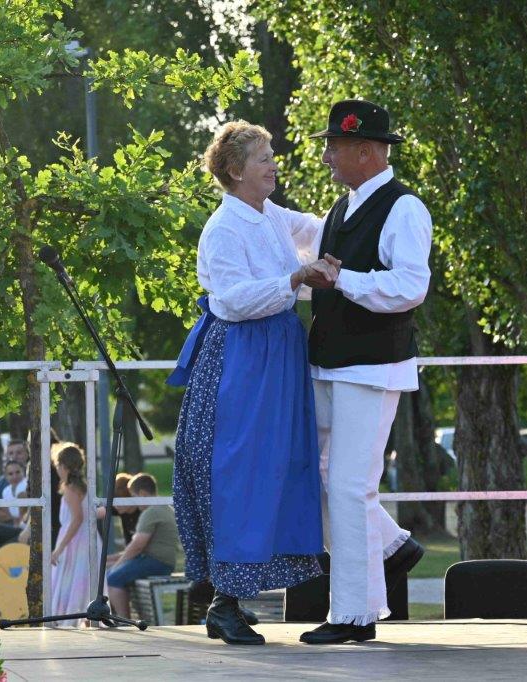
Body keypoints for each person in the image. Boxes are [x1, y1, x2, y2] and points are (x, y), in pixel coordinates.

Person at [168, 120, 333, 645]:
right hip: (242, 357)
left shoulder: (270, 214)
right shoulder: (223, 228)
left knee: (274, 467)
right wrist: (294, 278)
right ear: (237, 171)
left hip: (276, 352)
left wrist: (360, 214)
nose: (273, 165)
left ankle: (231, 599)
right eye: (264, 158)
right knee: (239, 468)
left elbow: (317, 229)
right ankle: (223, 603)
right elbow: (235, 300)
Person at [298, 100, 432, 645]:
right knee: (318, 478)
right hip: (330, 361)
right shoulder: (341, 208)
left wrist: (344, 280)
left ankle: (354, 614)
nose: (327, 156)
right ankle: (392, 547)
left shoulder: (404, 208)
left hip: (372, 366)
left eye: (335, 146)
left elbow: (410, 286)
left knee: (351, 487)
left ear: (367, 151)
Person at [104, 473, 178, 619]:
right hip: (162, 561)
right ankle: (117, 617)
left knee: (112, 578)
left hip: (155, 562)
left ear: (143, 494)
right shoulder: (165, 507)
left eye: (133, 496)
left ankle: (124, 621)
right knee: (110, 573)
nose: (135, 502)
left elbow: (137, 546)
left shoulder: (150, 512)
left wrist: (117, 564)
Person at [49, 442, 101, 627]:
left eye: (58, 465)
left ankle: (67, 619)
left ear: (64, 466)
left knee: (70, 581)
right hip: (85, 538)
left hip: (76, 541)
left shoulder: (70, 489)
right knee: (82, 582)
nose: (57, 470)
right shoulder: (82, 487)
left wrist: (59, 548)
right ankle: (85, 619)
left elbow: (77, 518)